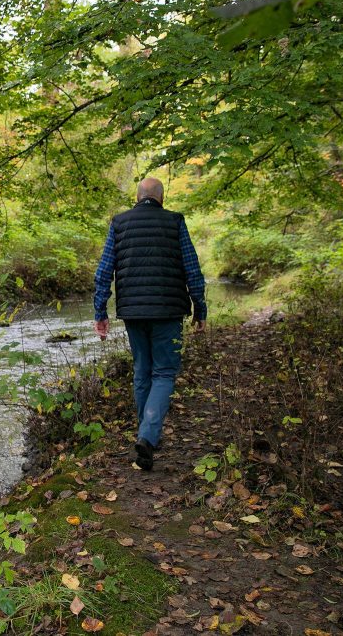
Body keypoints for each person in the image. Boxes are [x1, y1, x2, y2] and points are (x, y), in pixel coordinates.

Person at [92, 177, 206, 471]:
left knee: (142, 370)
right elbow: (192, 267)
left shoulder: (119, 222)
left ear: (137, 196)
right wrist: (200, 308)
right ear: (161, 198)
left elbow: (104, 270)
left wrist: (100, 312)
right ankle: (147, 435)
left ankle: (146, 433)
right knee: (165, 372)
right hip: (168, 311)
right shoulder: (174, 221)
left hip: (133, 311)